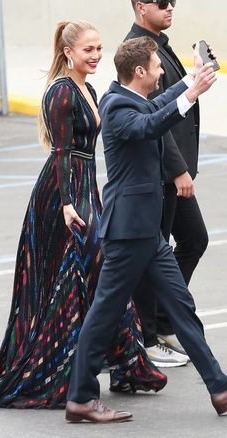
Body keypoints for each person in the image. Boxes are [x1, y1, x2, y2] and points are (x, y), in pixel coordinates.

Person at [0, 21, 167, 409]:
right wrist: (69, 203)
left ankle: (126, 366)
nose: (97, 56)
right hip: (63, 193)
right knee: (88, 272)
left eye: (99, 48)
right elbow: (61, 152)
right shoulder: (61, 92)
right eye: (88, 49)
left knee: (104, 272)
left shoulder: (88, 88)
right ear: (68, 52)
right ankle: (66, 369)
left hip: (86, 186)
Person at [65, 36, 227, 423]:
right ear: (139, 72)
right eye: (156, 67)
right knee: (104, 313)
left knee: (181, 308)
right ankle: (81, 399)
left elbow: (154, 105)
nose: (159, 72)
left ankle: (219, 389)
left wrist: (192, 77)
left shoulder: (130, 97)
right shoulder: (117, 105)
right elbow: (151, 123)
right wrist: (191, 95)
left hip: (146, 233)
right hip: (127, 232)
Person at [123, 0, 209, 367]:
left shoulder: (159, 42)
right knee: (152, 253)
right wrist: (176, 169)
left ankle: (159, 322)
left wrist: (194, 75)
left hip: (174, 168)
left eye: (173, 0)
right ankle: (147, 335)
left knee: (193, 239)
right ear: (141, 7)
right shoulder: (139, 49)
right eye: (161, 2)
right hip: (161, 172)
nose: (170, 6)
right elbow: (154, 116)